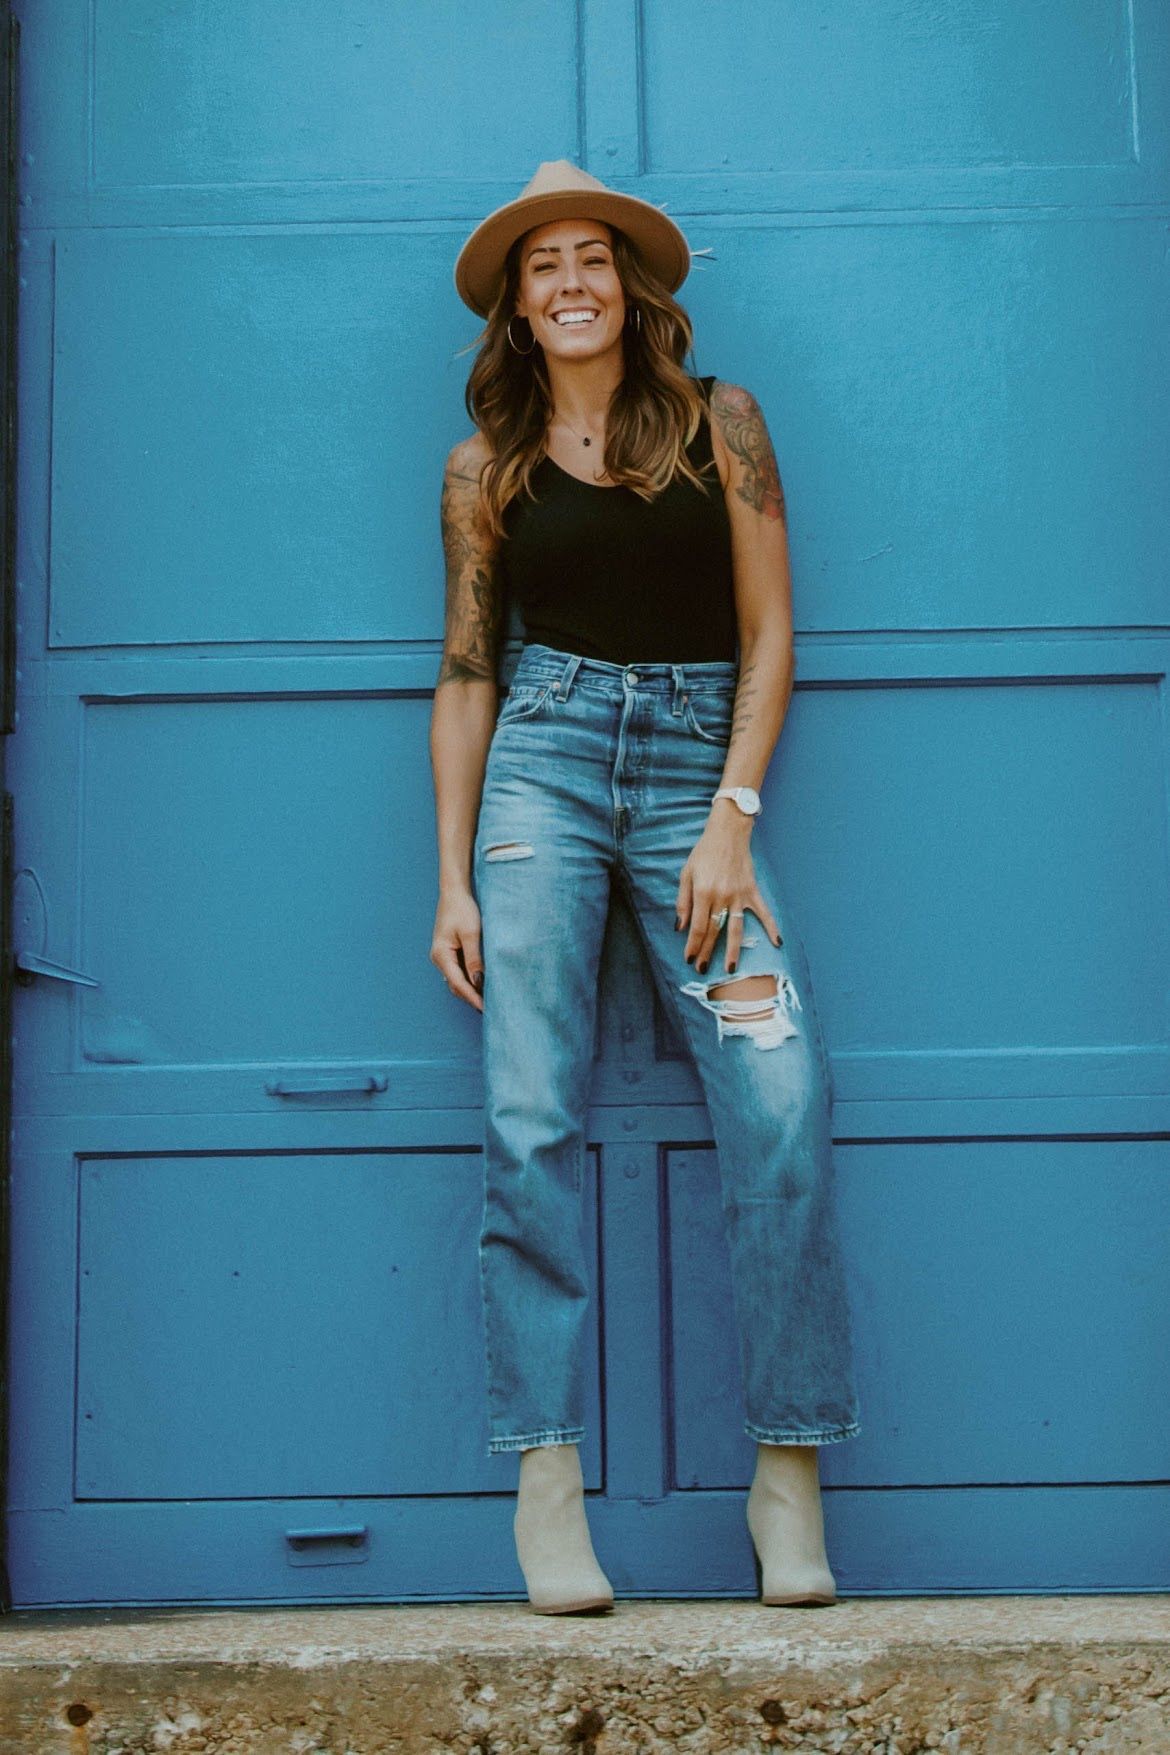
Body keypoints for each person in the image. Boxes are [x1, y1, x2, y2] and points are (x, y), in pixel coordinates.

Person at [430, 159, 860, 1615]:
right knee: (529, 1118)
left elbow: (770, 629)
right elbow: (467, 675)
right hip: (539, 770)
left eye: (591, 259)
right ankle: (546, 1484)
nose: (570, 283)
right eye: (542, 264)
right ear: (516, 304)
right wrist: (451, 879)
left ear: (629, 288)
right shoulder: (484, 468)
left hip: (694, 773)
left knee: (780, 1099)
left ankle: (785, 1478)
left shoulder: (720, 423)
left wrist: (731, 816)